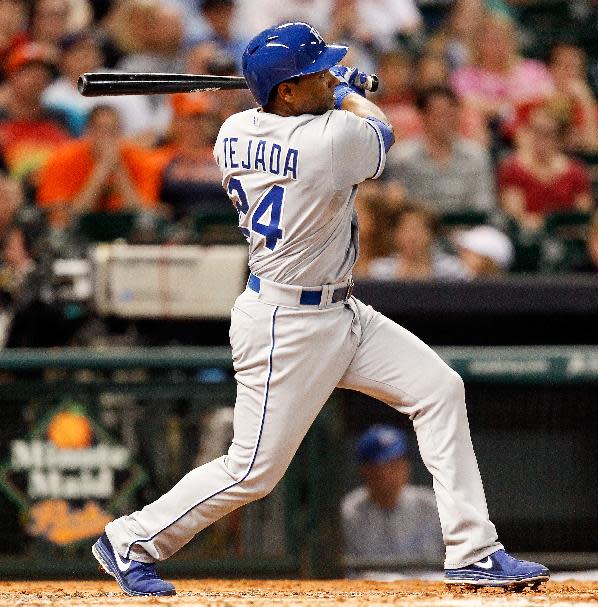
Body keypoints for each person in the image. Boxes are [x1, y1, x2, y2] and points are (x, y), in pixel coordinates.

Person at [91, 22, 550, 596]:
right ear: (285, 92)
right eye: (317, 71)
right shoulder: (329, 140)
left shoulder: (231, 131)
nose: (329, 74)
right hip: (288, 325)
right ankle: (132, 538)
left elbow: (305, 114)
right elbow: (378, 130)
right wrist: (349, 91)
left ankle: (473, 552)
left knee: (438, 389)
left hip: (340, 311)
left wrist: (324, 87)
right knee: (252, 471)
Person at [36, 104, 162, 230]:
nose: (106, 138)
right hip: (78, 233)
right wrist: (101, 170)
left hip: (125, 230)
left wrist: (118, 168)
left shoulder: (138, 160)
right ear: (88, 131)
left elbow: (143, 215)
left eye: (113, 131)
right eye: (101, 130)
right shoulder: (63, 159)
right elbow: (67, 217)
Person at [341, 425, 444, 571]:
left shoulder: (431, 505)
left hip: (427, 588)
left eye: (396, 464)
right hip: (373, 590)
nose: (390, 474)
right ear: (365, 471)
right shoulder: (351, 510)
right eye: (383, 467)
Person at [385, 85, 496, 215]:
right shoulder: (402, 158)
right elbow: (401, 204)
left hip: (468, 227)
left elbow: (483, 204)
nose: (445, 120)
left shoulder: (476, 156)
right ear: (423, 116)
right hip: (422, 228)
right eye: (438, 114)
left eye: (450, 113)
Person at [498, 105, 594, 233]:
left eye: (547, 134)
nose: (540, 140)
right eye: (536, 131)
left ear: (559, 138)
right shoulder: (513, 168)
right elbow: (515, 216)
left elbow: (582, 215)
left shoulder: (575, 172)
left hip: (567, 237)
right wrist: (544, 224)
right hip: (528, 239)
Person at [369, 202, 468, 281]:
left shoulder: (451, 271)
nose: (411, 237)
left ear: (431, 233)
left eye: (417, 229)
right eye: (405, 229)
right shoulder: (380, 272)